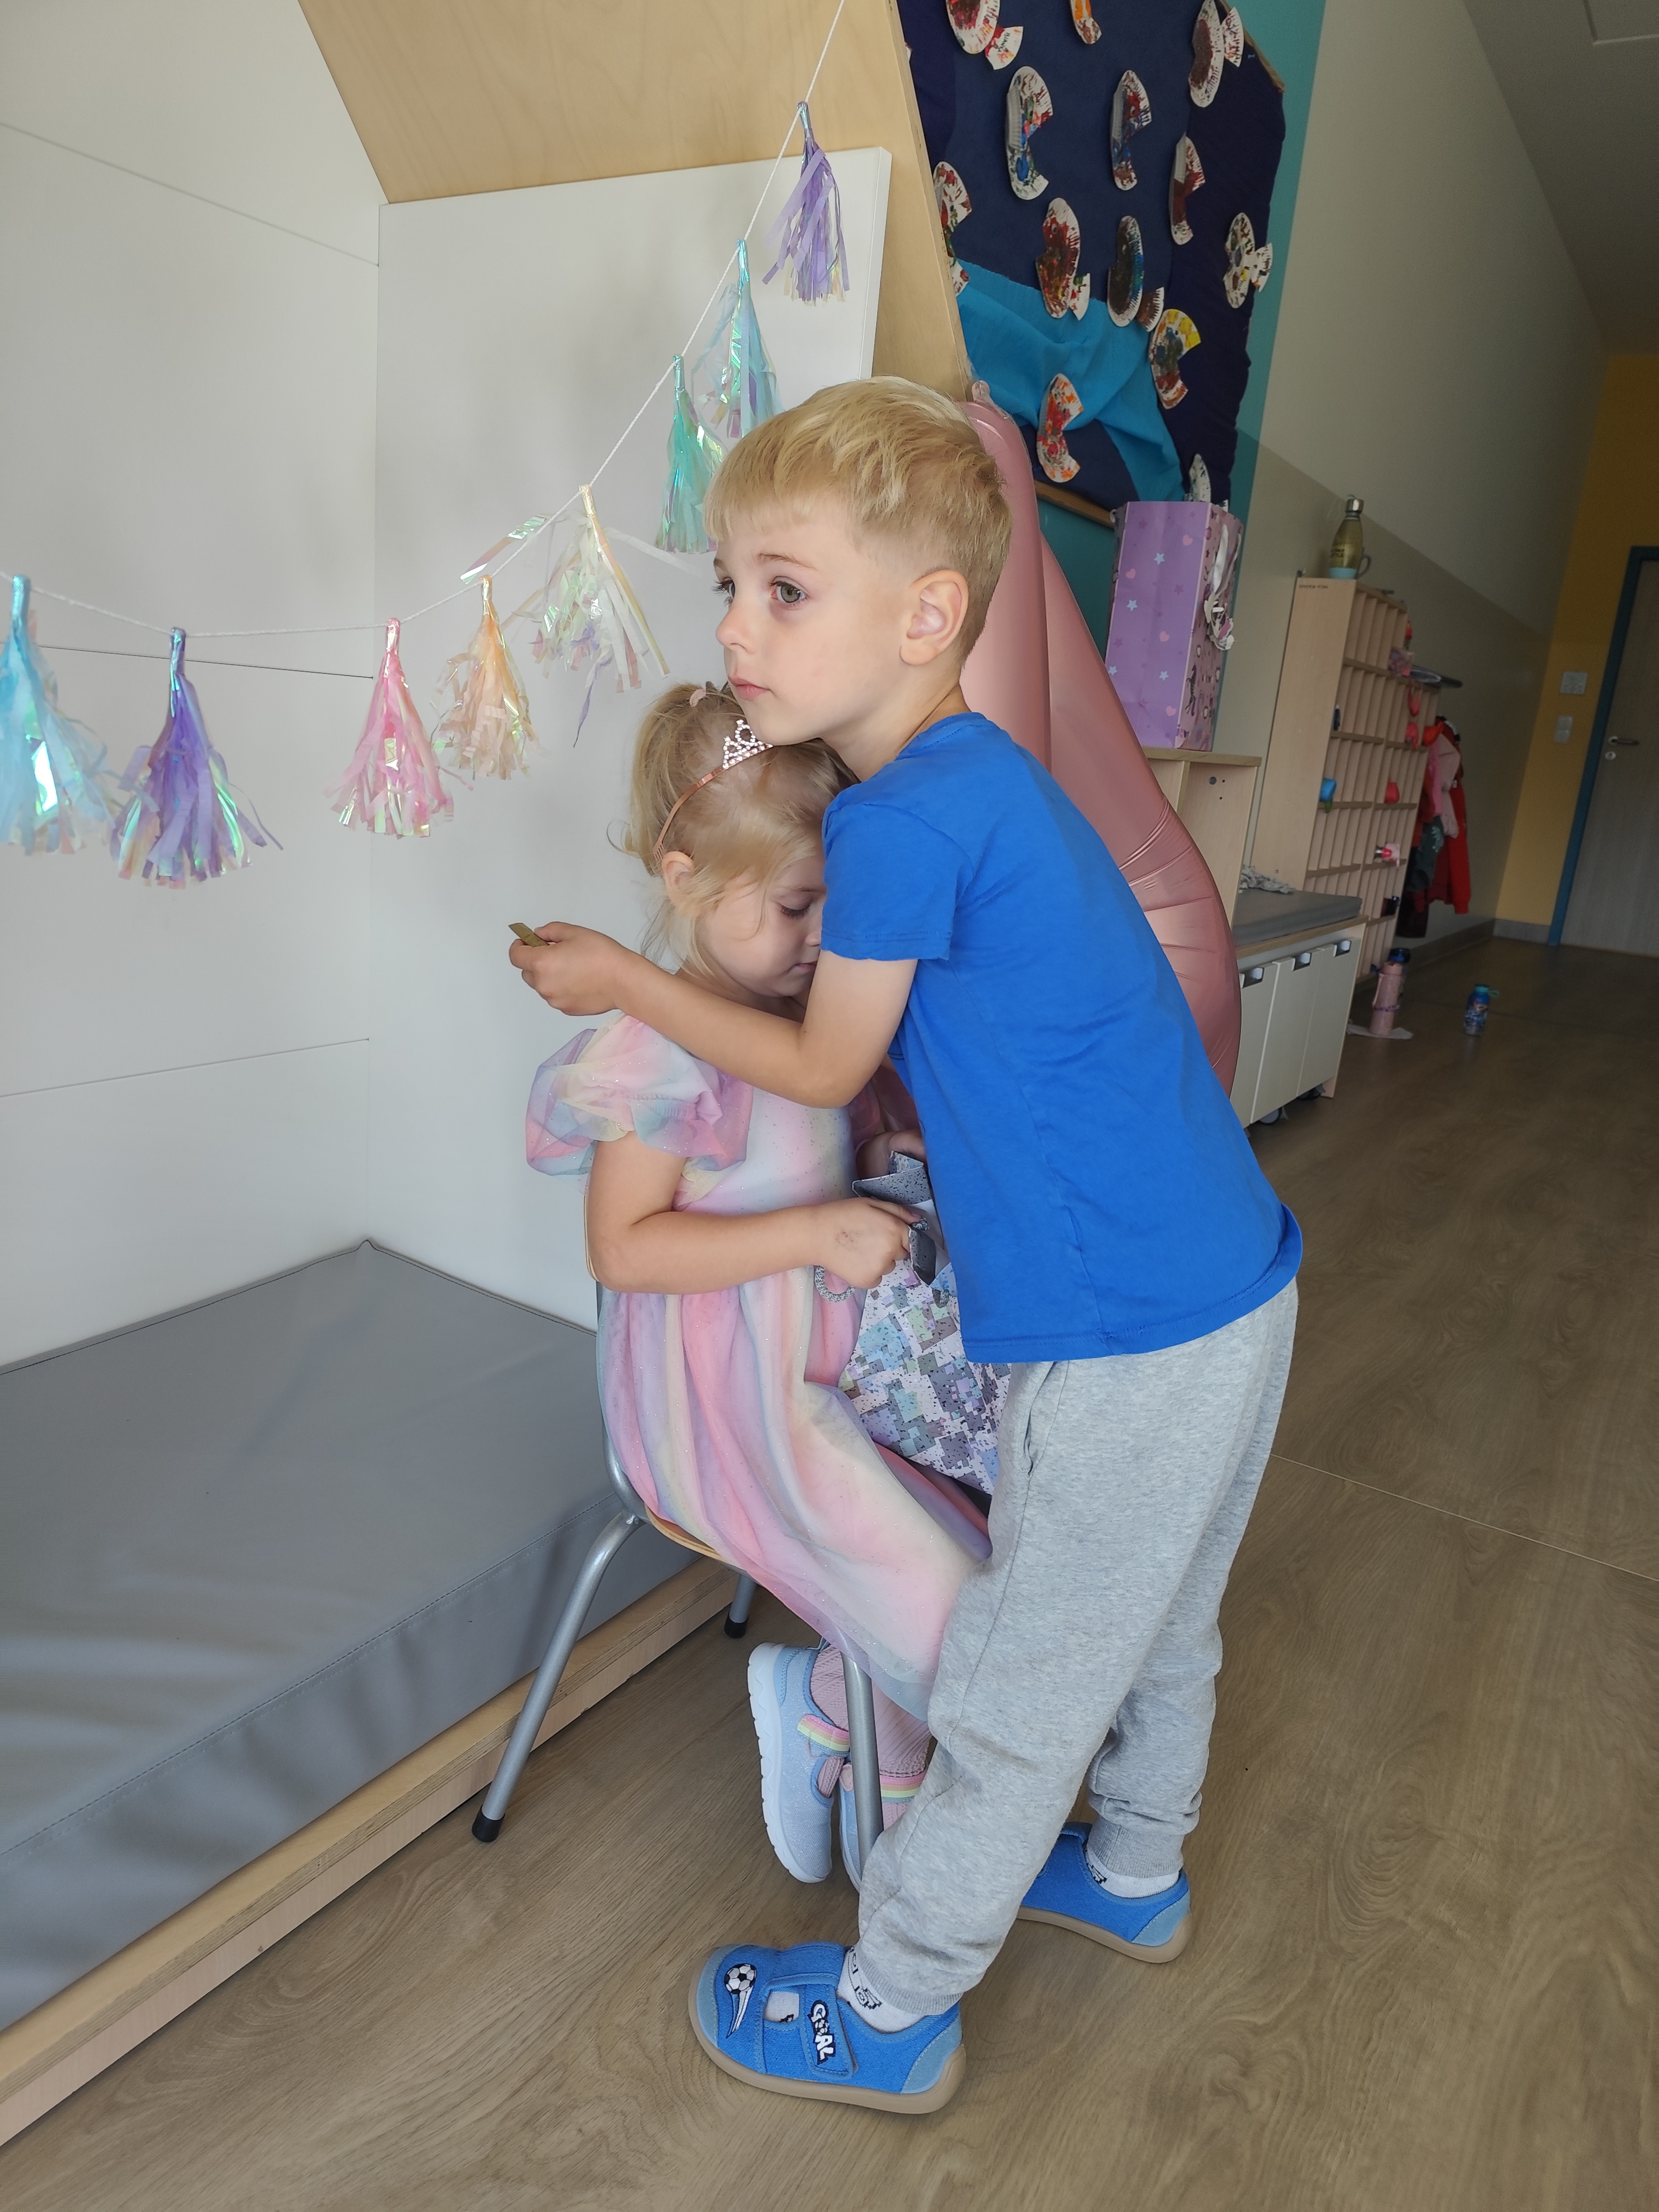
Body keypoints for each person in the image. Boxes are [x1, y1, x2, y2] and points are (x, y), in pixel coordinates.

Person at [511, 378, 1301, 2116]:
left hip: (1121, 1325)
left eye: (784, 589)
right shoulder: (981, 779)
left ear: (928, 615)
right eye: (729, 585)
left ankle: (889, 2009)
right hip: (1234, 1276)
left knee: (1022, 1678)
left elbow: (818, 1065)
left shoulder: (893, 823)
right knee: (1163, 1615)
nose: (736, 628)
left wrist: (620, 976)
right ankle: (1137, 1867)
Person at [524, 679, 989, 1884]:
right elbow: (625, 1250)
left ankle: (833, 1703)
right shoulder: (656, 1051)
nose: (824, 936)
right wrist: (816, 1233)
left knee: (995, 1563)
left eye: (837, 905)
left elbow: (829, 1138)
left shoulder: (805, 1023)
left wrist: (884, 1148)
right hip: (722, 1407)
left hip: (833, 1373)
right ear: (685, 883)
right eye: (795, 906)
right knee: (957, 1618)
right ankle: (883, 1775)